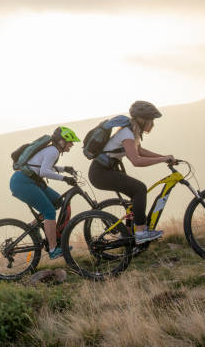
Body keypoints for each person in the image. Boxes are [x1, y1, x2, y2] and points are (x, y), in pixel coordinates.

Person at [88, 101, 176, 244]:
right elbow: (136, 161)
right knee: (139, 188)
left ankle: (127, 234)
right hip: (100, 173)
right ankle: (141, 232)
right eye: (151, 120)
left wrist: (164, 157)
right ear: (142, 120)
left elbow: (140, 151)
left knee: (133, 200)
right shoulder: (127, 133)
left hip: (108, 170)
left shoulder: (131, 132)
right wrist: (162, 159)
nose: (152, 124)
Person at [9, 126, 80, 259]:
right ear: (62, 141)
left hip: (28, 181)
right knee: (49, 212)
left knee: (58, 201)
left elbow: (43, 166)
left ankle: (33, 227)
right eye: (70, 142)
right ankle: (53, 250)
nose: (72, 145)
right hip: (22, 183)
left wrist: (65, 169)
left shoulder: (52, 150)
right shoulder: (53, 151)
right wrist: (64, 178)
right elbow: (44, 172)